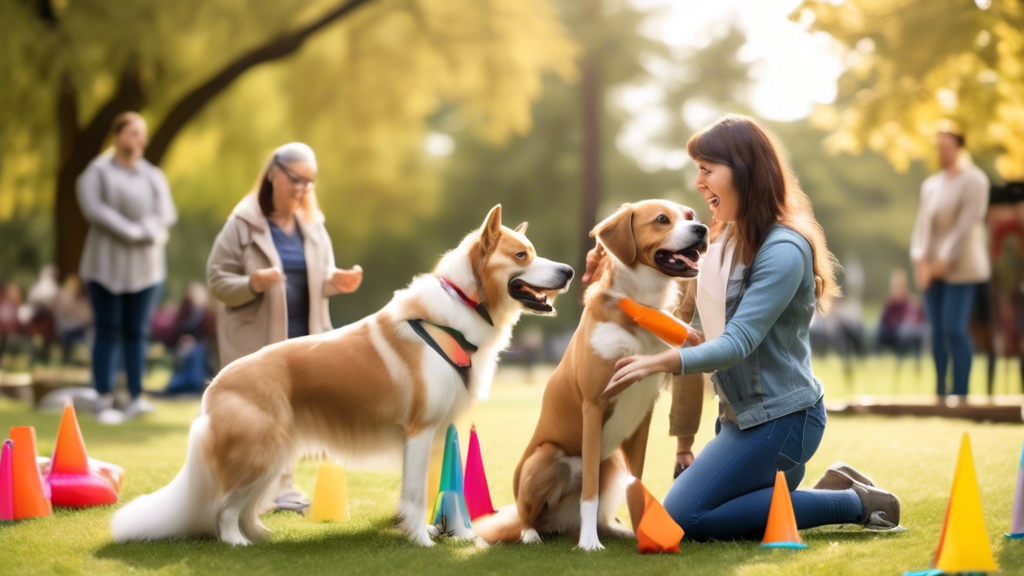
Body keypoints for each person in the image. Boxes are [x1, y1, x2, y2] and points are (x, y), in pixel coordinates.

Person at [605, 115, 901, 541]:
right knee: (712, 512)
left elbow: (737, 342)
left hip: (785, 422)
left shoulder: (784, 248)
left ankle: (859, 503)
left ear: (743, 172)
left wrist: (662, 362)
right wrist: (614, 281)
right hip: (740, 422)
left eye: (707, 170)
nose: (698, 182)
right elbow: (682, 316)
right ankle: (829, 488)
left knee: (683, 519)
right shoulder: (721, 240)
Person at [206, 142, 362, 512]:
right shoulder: (242, 224)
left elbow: (315, 278)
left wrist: (333, 282)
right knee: (259, 418)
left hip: (304, 341)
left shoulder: (313, 225)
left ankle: (284, 488)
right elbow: (216, 280)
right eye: (295, 178)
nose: (302, 189)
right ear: (273, 173)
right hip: (256, 338)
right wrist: (251, 284)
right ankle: (240, 487)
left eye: (309, 182)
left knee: (293, 417)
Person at [77, 111, 177, 424]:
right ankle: (104, 398)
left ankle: (136, 396)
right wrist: (130, 230)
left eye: (141, 133)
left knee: (137, 332)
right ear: (117, 135)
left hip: (145, 271)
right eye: (132, 132)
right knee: (107, 330)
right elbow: (94, 209)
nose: (138, 139)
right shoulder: (97, 171)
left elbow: (167, 214)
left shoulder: (153, 175)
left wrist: (150, 228)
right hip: (105, 267)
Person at [910, 126, 991, 397]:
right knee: (937, 333)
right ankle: (940, 393)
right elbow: (922, 226)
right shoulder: (931, 184)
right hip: (933, 270)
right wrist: (921, 260)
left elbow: (966, 225)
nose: (941, 152)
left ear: (959, 147)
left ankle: (961, 393)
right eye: (938, 146)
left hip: (962, 268)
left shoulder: (975, 181)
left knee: (954, 329)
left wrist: (944, 259)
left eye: (946, 146)